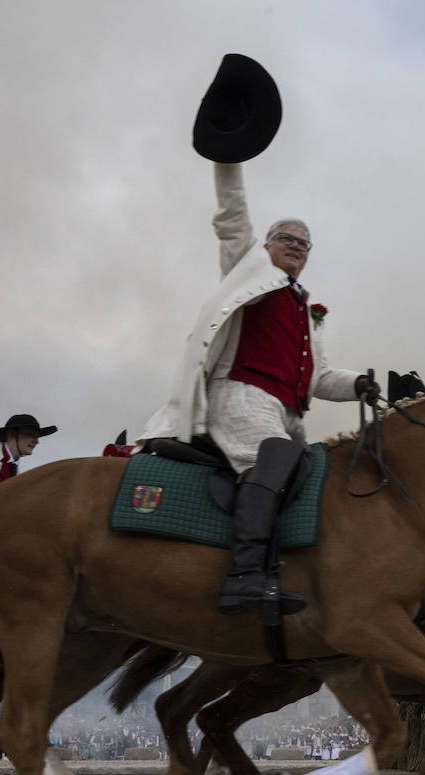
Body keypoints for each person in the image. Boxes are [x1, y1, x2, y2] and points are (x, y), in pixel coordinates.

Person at [139, 56, 377, 614]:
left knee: (313, 470)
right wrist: (229, 149)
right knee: (271, 456)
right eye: (286, 237)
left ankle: (286, 569)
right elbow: (231, 212)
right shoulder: (248, 269)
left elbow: (319, 377)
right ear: (266, 244)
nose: (296, 244)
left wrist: (363, 383)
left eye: (304, 242)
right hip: (240, 395)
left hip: (285, 410)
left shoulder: (305, 309)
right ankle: (244, 574)